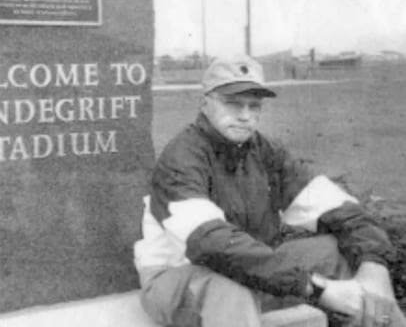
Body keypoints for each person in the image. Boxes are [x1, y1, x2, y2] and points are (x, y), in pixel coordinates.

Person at [133, 55, 404, 327]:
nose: (245, 116)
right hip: (177, 278)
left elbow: (343, 211)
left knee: (340, 251)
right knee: (229, 285)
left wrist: (374, 267)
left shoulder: (265, 151)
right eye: (232, 103)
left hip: (251, 270)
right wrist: (315, 287)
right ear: (205, 104)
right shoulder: (181, 157)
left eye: (254, 105)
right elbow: (212, 245)